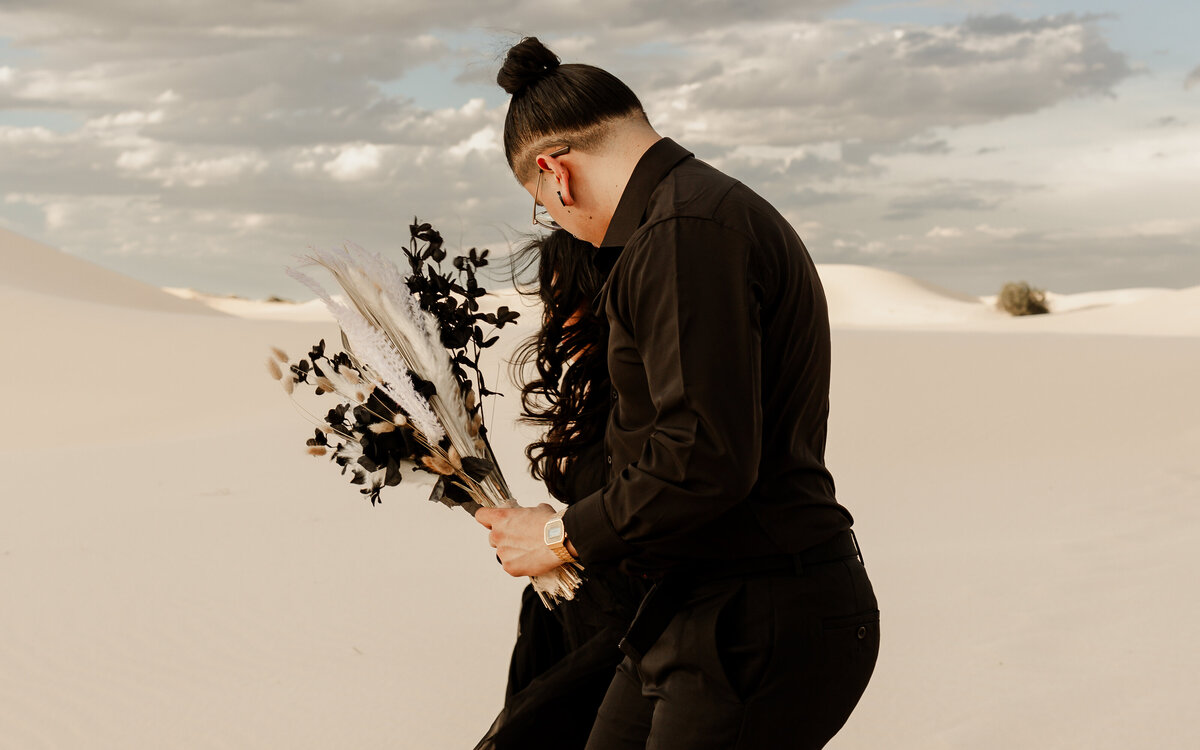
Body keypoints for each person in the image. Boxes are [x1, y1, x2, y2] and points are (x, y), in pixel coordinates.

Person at [475, 37, 879, 749]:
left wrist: (559, 535)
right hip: (689, 610)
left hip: (756, 616)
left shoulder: (684, 231)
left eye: (543, 209)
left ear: (555, 174)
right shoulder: (692, 217)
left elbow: (702, 457)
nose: (560, 224)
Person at [475, 230, 651, 750]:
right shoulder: (597, 385)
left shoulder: (643, 390)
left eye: (563, 295)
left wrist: (558, 536)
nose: (553, 316)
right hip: (568, 616)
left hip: (626, 630)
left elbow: (651, 505)